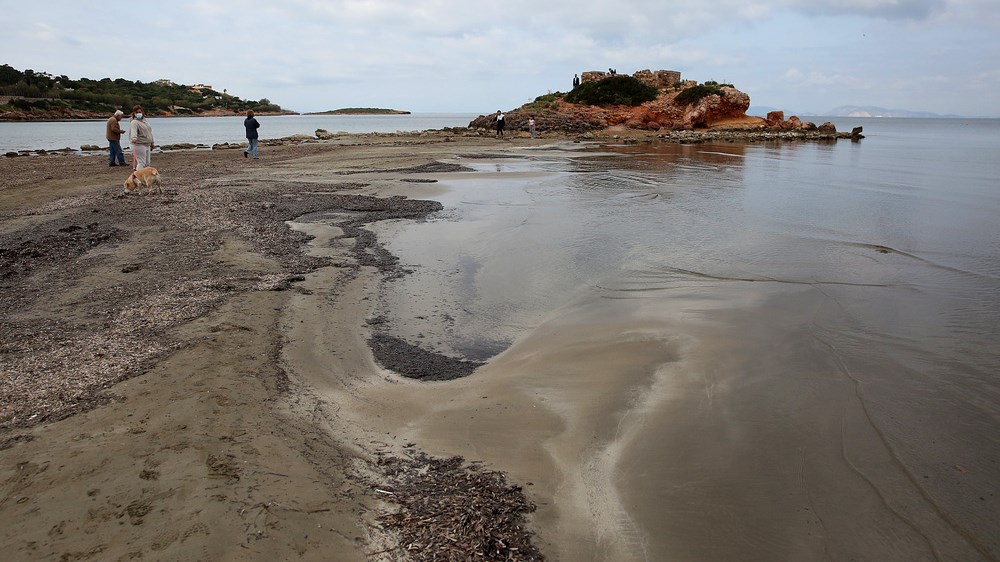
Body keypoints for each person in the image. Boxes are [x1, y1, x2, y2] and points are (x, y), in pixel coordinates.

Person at [128, 105, 154, 173]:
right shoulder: (134, 122)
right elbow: (133, 131)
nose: (138, 113)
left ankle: (145, 176)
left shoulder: (145, 121)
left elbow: (149, 132)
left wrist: (152, 142)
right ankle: (138, 176)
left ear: (142, 112)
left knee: (147, 163)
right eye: (137, 112)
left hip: (147, 144)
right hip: (139, 144)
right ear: (134, 113)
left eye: (140, 112)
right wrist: (134, 138)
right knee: (141, 162)